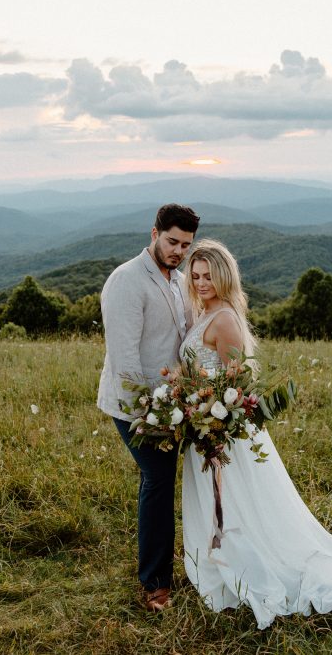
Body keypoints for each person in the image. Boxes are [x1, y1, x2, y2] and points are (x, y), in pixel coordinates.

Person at [179, 239, 332, 630]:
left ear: (224, 276)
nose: (200, 281)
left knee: (237, 502)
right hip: (202, 425)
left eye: (208, 275)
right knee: (220, 502)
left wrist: (209, 415)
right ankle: (219, 563)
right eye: (195, 275)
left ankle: (243, 568)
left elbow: (236, 384)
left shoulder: (224, 318)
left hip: (220, 429)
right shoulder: (202, 311)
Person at [98, 203, 200, 611]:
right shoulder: (126, 281)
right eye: (173, 241)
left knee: (163, 480)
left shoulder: (176, 280)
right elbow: (124, 361)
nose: (178, 251)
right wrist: (148, 414)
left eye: (186, 245)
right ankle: (155, 583)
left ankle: (169, 557)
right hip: (134, 405)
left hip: (172, 402)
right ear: (154, 233)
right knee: (158, 480)